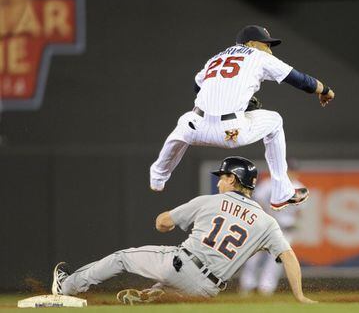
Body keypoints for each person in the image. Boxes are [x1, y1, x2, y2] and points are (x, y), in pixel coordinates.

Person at [52, 156, 316, 304]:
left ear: (232, 179)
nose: (220, 181)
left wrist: (166, 221)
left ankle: (66, 286)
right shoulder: (266, 221)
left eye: (222, 176)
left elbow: (162, 223)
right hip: (207, 290)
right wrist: (300, 296)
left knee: (123, 257)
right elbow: (289, 258)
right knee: (176, 276)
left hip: (181, 266)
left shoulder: (210, 201)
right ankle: (154, 294)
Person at [150, 25, 335, 210]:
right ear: (251, 43)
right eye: (266, 44)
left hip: (196, 126)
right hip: (230, 131)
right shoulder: (259, 56)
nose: (269, 50)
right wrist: (324, 90)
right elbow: (300, 80)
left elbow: (198, 86)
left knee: (182, 126)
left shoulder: (216, 58)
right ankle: (282, 193)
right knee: (275, 121)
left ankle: (158, 178)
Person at [239, 165, 304, 295]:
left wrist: (294, 223)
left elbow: (300, 211)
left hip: (285, 229)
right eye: (290, 170)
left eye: (294, 170)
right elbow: (258, 202)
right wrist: (269, 217)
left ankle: (266, 288)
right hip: (265, 227)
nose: (292, 173)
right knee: (254, 256)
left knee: (277, 260)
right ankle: (247, 285)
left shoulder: (299, 188)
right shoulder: (270, 184)